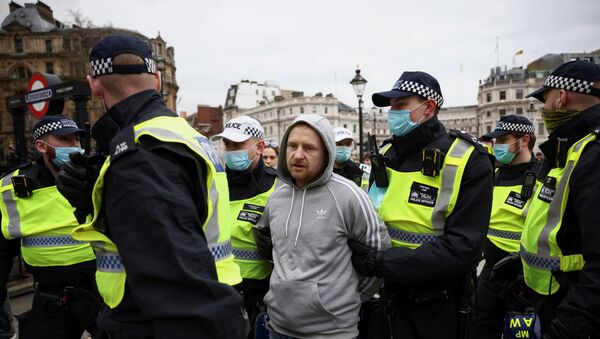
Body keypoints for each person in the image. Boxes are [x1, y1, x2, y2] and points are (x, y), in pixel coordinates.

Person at [56, 34, 246, 338]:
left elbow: (178, 287)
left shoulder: (141, 150)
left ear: (93, 83)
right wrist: (92, 205)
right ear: (157, 80)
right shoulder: (179, 134)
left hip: (149, 320)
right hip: (203, 297)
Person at [347, 71, 494, 339]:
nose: (392, 112)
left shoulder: (467, 158)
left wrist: (383, 262)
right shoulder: (388, 153)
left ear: (428, 107)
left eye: (401, 105)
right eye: (392, 106)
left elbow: (465, 248)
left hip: (437, 307)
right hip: (385, 298)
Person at [254, 114, 390, 339]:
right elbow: (273, 253)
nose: (298, 155)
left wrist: (348, 299)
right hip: (277, 327)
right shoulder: (276, 197)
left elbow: (377, 258)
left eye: (309, 148)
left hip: (332, 332)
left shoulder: (349, 196)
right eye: (292, 146)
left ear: (327, 152)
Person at [519, 60, 600, 338]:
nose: (543, 109)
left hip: (575, 313)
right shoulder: (569, 147)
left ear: (561, 97)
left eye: (546, 99)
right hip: (551, 298)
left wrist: (570, 325)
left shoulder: (593, 152)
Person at [0, 115, 99, 339]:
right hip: (49, 297)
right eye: (66, 140)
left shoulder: (97, 177)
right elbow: (3, 250)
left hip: (99, 292)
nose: (75, 146)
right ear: (42, 146)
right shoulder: (13, 186)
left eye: (77, 140)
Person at [470, 115, 539, 339]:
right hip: (491, 272)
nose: (497, 146)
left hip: (525, 276)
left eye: (503, 140)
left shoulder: (543, 176)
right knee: (479, 328)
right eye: (496, 141)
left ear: (524, 140)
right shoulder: (494, 175)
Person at [212, 116, 277, 338]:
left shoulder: (278, 186)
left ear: (259, 147)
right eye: (227, 144)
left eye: (236, 145)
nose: (229, 150)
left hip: (259, 298)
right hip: (219, 292)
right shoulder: (215, 181)